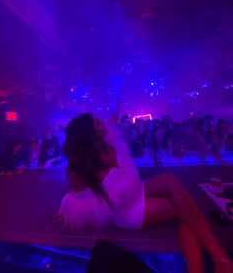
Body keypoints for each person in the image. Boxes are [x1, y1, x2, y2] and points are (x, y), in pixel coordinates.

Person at [58, 111, 232, 273]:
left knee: (170, 180)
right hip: (127, 211)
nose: (103, 123)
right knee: (183, 209)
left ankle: (218, 258)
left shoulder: (109, 142)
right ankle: (217, 259)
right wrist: (66, 210)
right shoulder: (84, 164)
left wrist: (119, 89)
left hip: (136, 190)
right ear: (90, 133)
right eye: (97, 123)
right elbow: (74, 195)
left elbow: (114, 117)